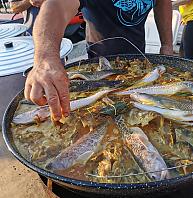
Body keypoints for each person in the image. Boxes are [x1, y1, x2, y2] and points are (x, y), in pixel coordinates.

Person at [25, 0, 173, 121]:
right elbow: (57, 5)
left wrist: (167, 45)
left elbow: (162, 2)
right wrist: (45, 57)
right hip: (98, 68)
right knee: (99, 116)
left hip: (139, 60)